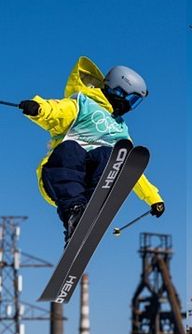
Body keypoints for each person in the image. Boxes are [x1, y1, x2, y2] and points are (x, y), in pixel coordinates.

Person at [18, 56, 165, 242]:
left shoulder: (120, 130)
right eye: (132, 99)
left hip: (90, 183)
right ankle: (74, 213)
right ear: (119, 90)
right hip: (60, 175)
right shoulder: (83, 105)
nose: (130, 106)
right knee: (72, 148)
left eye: (136, 102)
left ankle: (86, 216)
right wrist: (39, 109)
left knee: (112, 155)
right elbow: (57, 111)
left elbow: (130, 168)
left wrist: (153, 198)